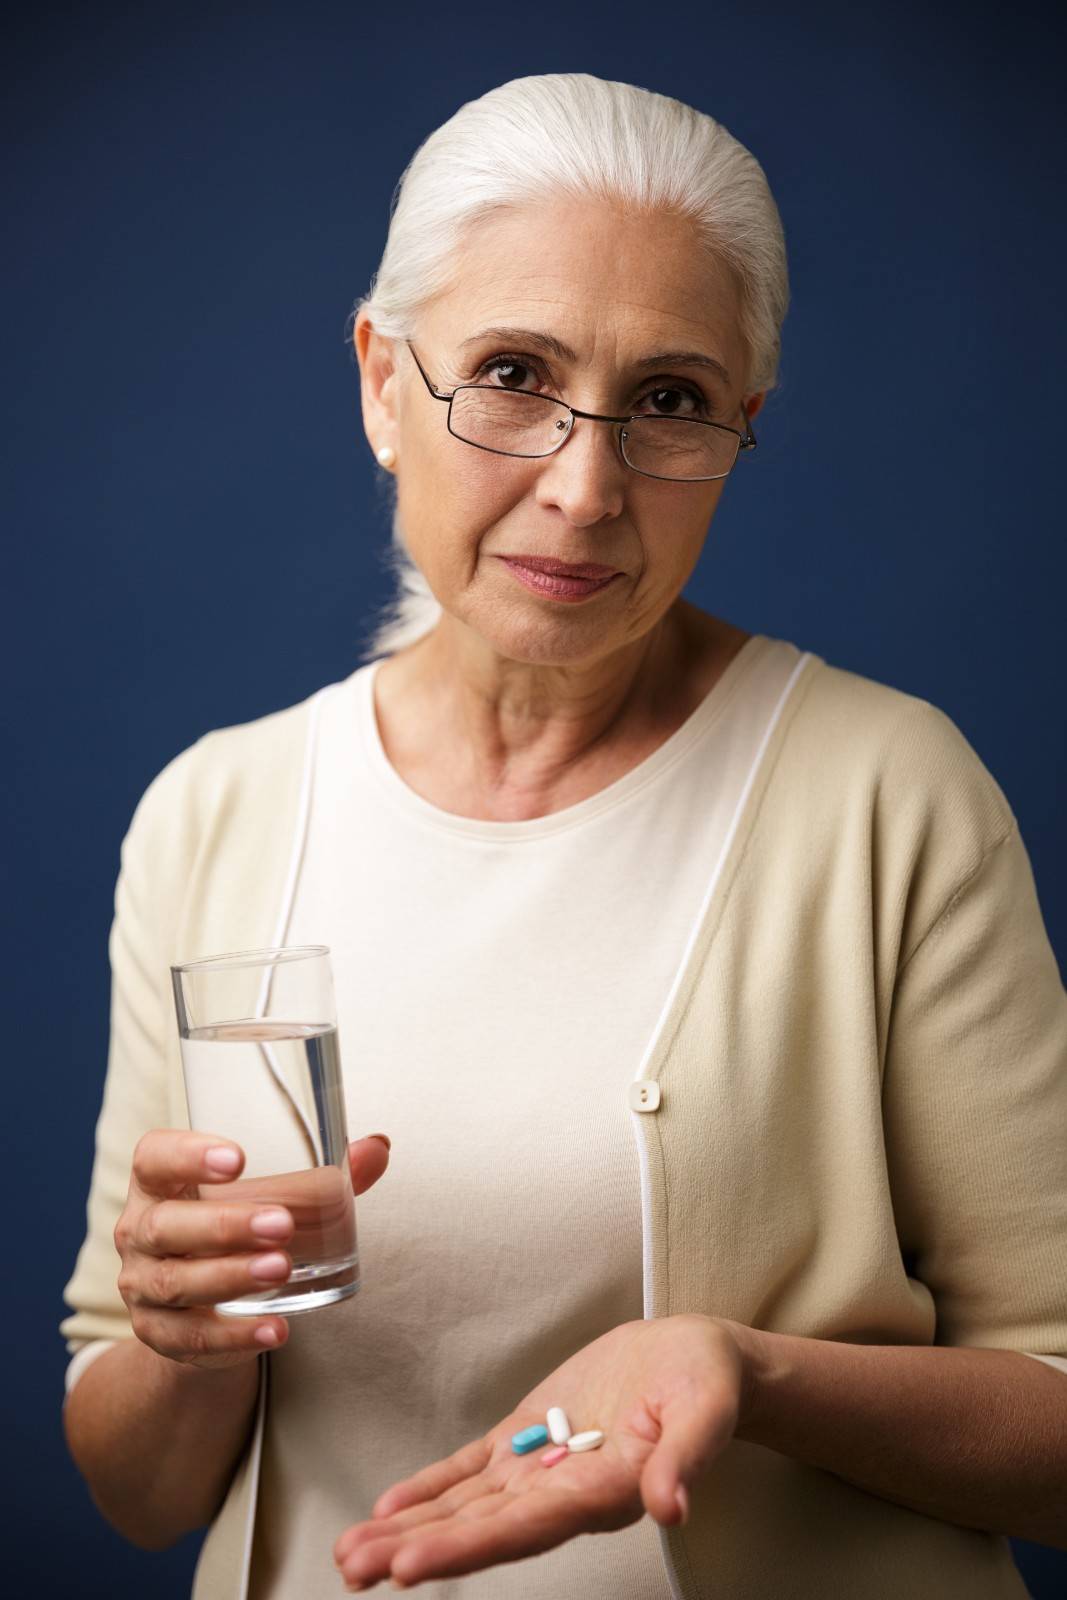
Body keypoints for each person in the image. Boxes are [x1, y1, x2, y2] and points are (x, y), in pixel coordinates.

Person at [61, 72, 1067, 1600]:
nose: (585, 489)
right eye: (513, 374)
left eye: (671, 401)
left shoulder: (888, 795)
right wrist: (186, 1340)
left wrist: (749, 1374)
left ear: (745, 428)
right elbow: (140, 1492)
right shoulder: (218, 810)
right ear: (382, 383)